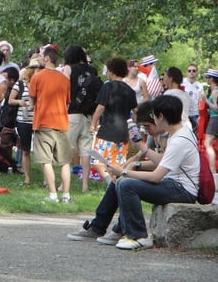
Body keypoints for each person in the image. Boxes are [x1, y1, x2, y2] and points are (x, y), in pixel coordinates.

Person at [67, 100, 168, 245]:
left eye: (147, 126)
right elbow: (140, 156)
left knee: (127, 183)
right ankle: (98, 226)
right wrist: (124, 167)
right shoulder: (155, 135)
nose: (147, 131)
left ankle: (124, 230)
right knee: (118, 180)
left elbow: (163, 163)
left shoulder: (169, 136)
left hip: (170, 180)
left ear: (158, 119)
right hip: (162, 175)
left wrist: (131, 168)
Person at [106, 95, 199, 250]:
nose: (153, 118)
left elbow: (156, 177)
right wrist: (139, 151)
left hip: (182, 190)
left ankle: (138, 236)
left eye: (154, 115)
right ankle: (123, 230)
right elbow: (162, 161)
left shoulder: (179, 140)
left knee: (126, 184)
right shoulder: (179, 133)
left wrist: (123, 172)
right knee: (125, 182)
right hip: (175, 184)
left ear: (161, 116)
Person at [29, 45, 72, 203]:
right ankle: (66, 196)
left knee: (46, 161)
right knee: (65, 162)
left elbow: (32, 101)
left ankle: (53, 195)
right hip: (62, 123)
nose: (39, 58)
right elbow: (67, 103)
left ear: (47, 58)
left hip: (43, 123)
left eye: (40, 56)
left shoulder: (38, 77)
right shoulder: (64, 79)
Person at [63, 44, 103, 193]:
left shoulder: (69, 69)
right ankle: (85, 185)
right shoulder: (92, 70)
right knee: (86, 151)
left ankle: (63, 184)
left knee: (67, 149)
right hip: (88, 114)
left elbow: (64, 89)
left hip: (72, 113)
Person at [90, 57, 137, 180]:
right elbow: (136, 111)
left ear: (112, 71)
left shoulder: (108, 87)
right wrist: (134, 127)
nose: (106, 73)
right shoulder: (130, 91)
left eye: (107, 71)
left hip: (107, 130)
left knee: (97, 160)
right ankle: (116, 183)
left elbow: (100, 107)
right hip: (123, 132)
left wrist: (93, 123)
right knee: (117, 163)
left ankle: (109, 180)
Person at [8, 58, 38, 185]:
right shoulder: (20, 84)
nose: (39, 71)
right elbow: (10, 100)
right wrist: (19, 102)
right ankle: (27, 177)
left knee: (41, 150)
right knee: (25, 149)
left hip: (38, 120)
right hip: (23, 120)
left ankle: (47, 180)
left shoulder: (42, 84)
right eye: (36, 68)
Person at [201, 68, 218, 174]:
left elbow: (216, 108)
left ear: (212, 79)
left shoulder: (216, 91)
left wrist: (205, 100)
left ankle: (212, 170)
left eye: (208, 77)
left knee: (207, 143)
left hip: (215, 118)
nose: (206, 79)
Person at [182, 64, 204, 133]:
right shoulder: (182, 83)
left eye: (194, 71)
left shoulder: (199, 85)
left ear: (197, 72)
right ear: (187, 72)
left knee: (194, 135)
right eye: (189, 71)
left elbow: (201, 101)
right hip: (184, 114)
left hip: (195, 114)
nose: (191, 72)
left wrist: (200, 115)